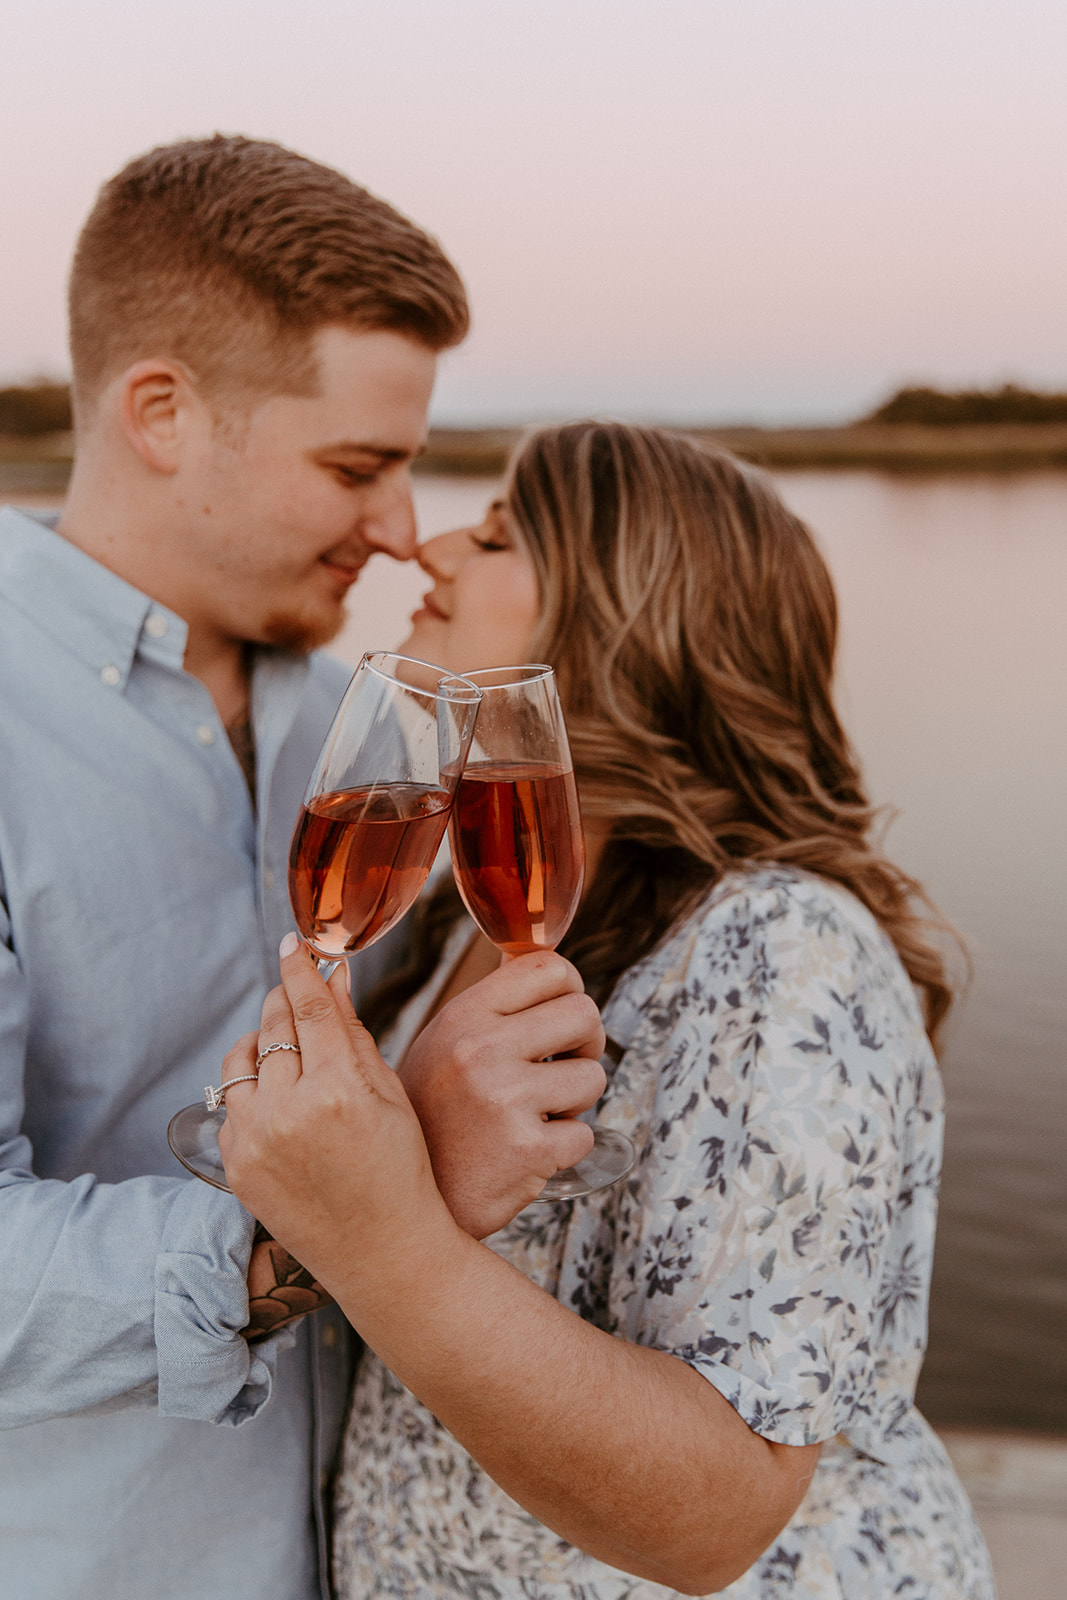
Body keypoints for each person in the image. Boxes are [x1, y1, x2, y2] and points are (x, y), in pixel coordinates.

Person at [219, 422, 997, 1598]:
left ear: (624, 623)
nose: (427, 545)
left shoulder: (782, 948)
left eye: (493, 536)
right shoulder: (461, 925)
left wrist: (378, 1232)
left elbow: (713, 1518)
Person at [0, 139, 606, 1600]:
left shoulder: (351, 717)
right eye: (357, 468)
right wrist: (378, 1208)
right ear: (161, 412)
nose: (401, 531)